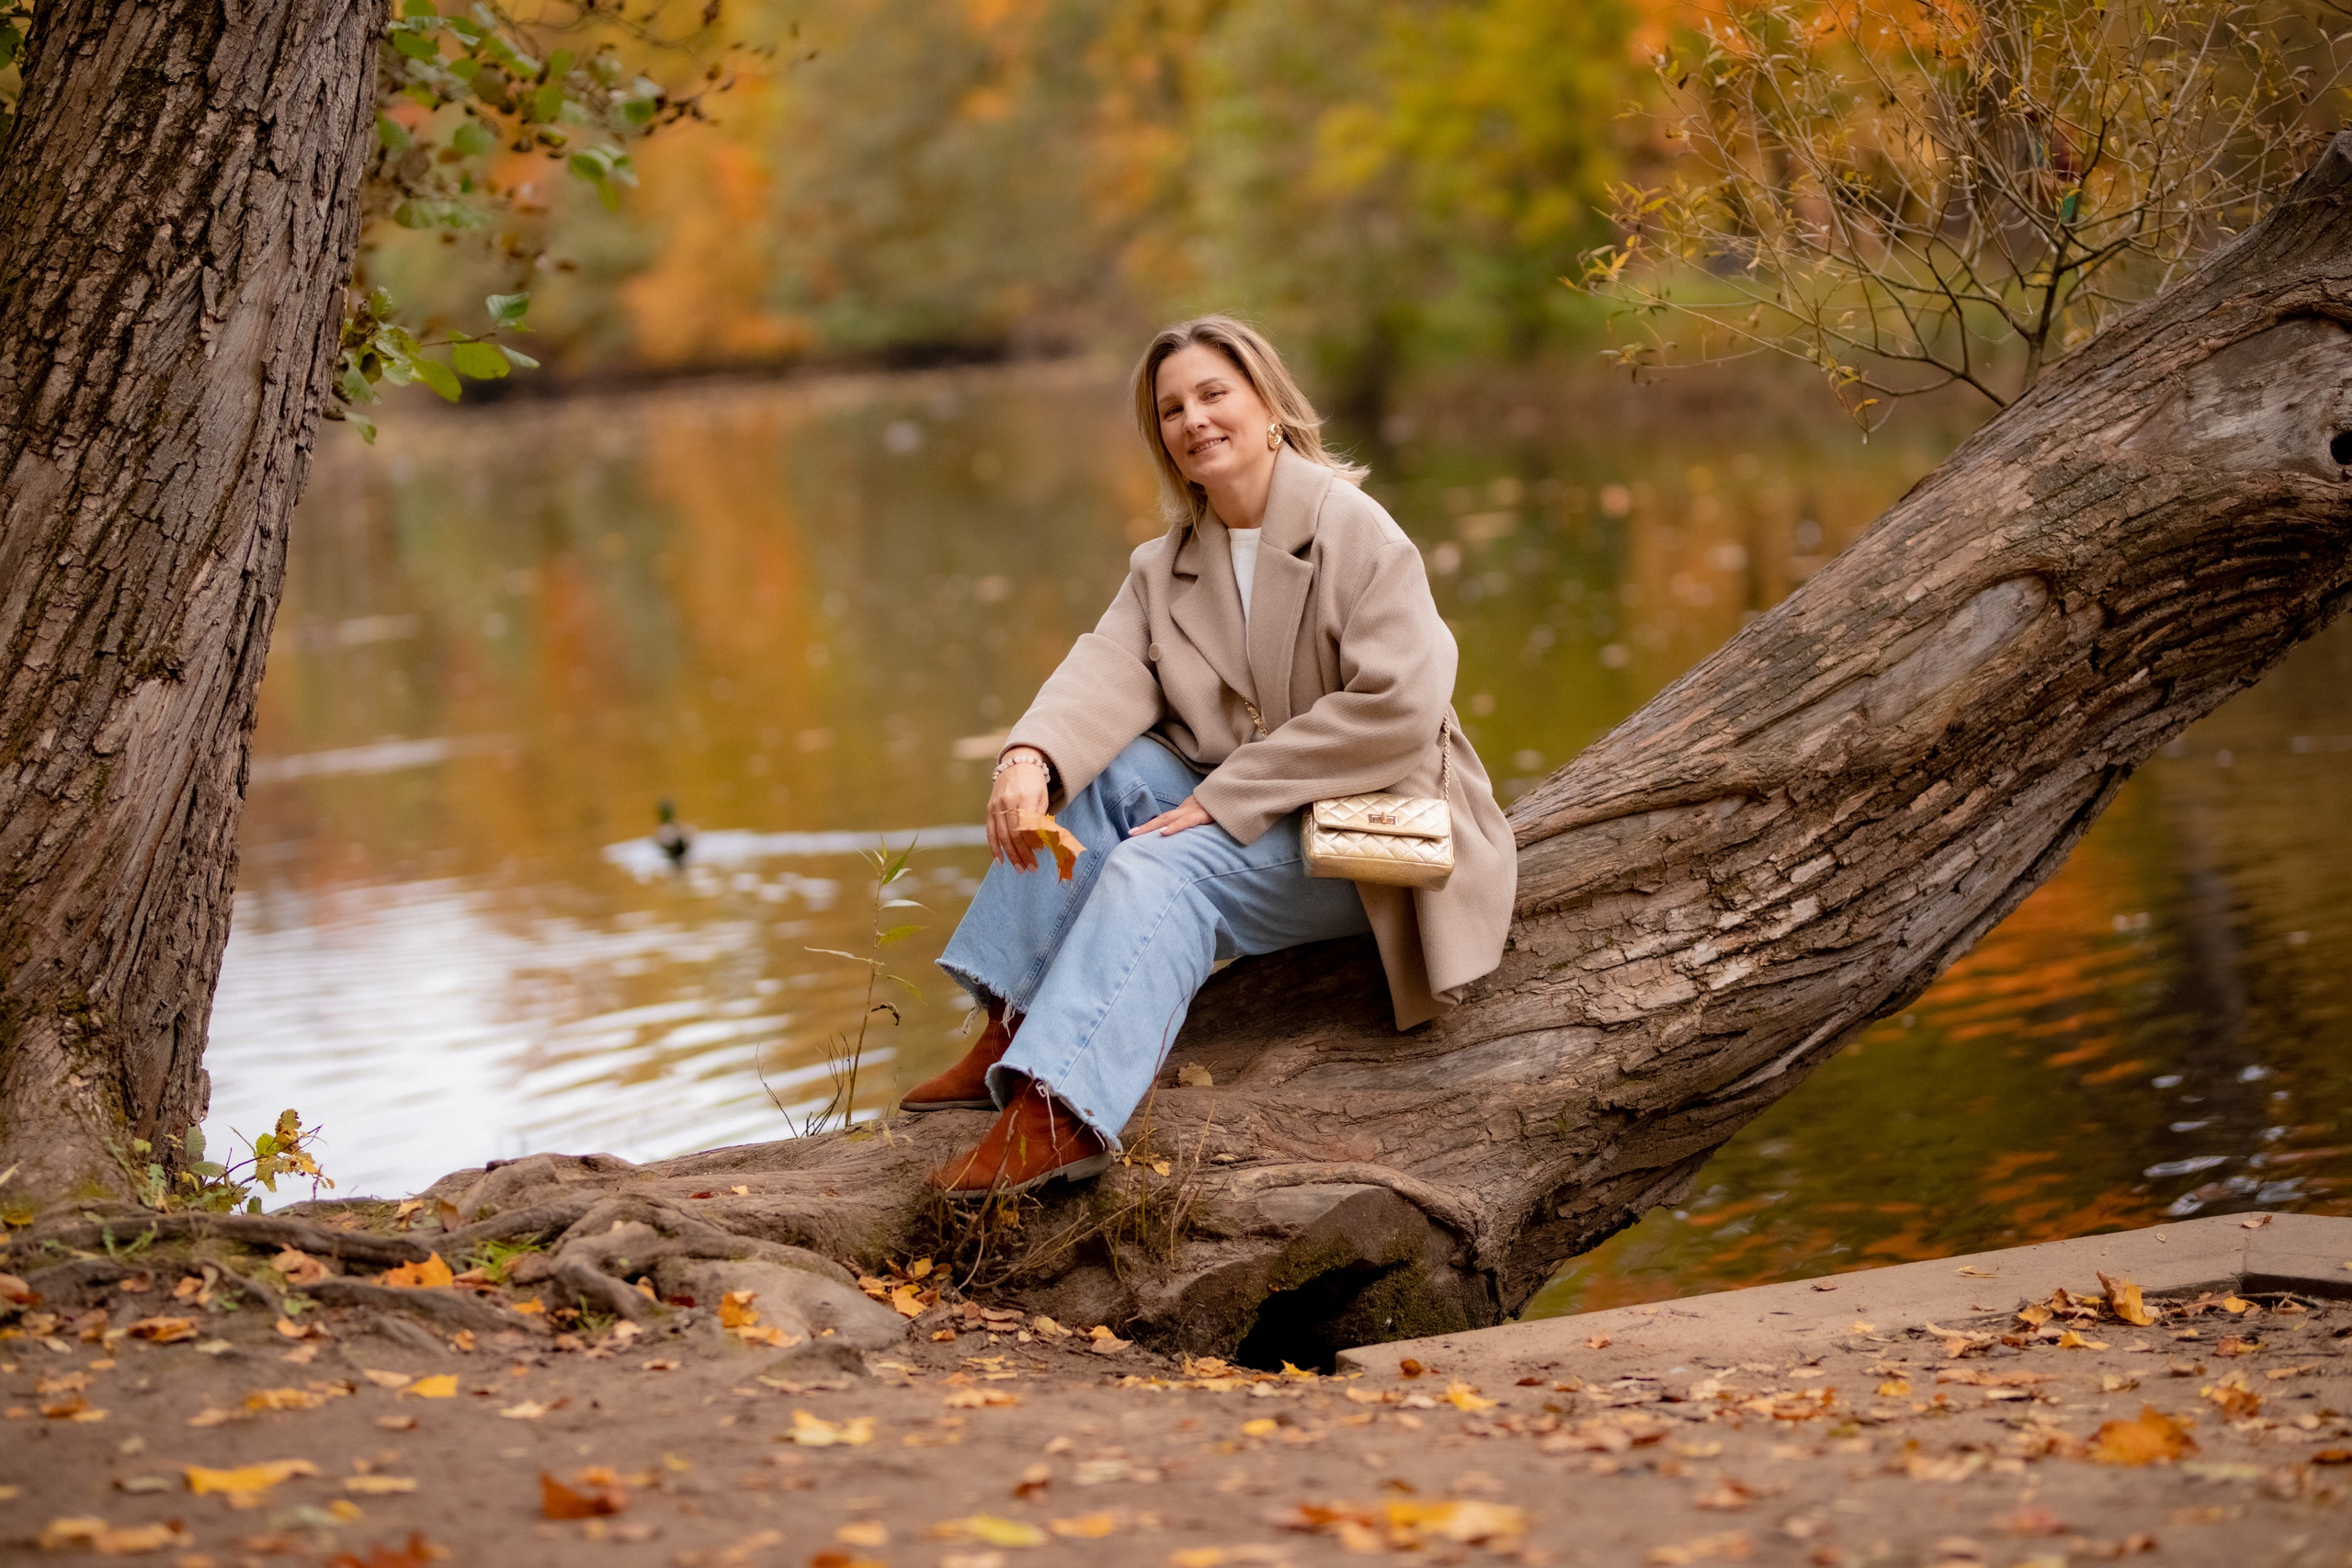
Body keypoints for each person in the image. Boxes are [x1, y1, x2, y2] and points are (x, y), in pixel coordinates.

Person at [903, 315, 1516, 1194]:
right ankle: (1013, 1020)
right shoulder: (1168, 565)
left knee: (1163, 870)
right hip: (1258, 817)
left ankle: (1059, 1111)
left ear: (1269, 406)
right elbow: (1105, 667)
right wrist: (1026, 760)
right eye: (1171, 409)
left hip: (1381, 834)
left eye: (1213, 394)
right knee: (1104, 781)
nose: (1193, 419)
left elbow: (1400, 708)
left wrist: (1230, 794)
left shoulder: (1355, 532)